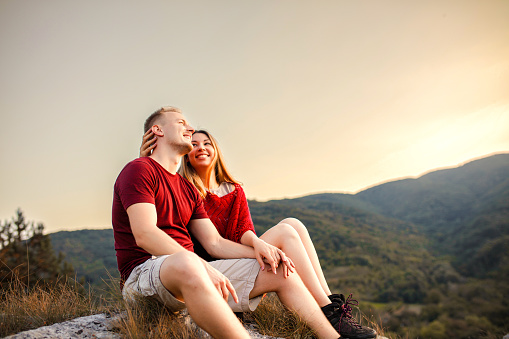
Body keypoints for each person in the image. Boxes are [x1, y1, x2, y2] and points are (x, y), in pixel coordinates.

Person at [113, 106, 346, 339]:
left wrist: (264, 253)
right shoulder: (139, 169)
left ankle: (333, 335)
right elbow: (144, 234)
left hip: (192, 272)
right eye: (181, 123)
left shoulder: (188, 189)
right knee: (186, 261)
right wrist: (203, 267)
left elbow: (215, 243)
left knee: (280, 270)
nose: (190, 129)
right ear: (158, 130)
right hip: (146, 273)